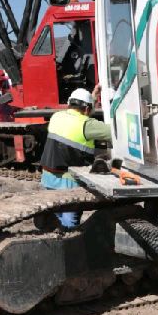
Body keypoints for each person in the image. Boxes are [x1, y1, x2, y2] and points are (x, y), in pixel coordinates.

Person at [38, 85, 110, 228]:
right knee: (69, 226)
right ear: (88, 109)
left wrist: (93, 97)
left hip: (48, 179)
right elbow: (114, 132)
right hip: (70, 183)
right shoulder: (87, 124)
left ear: (69, 104)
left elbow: (79, 117)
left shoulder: (56, 117)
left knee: (55, 220)